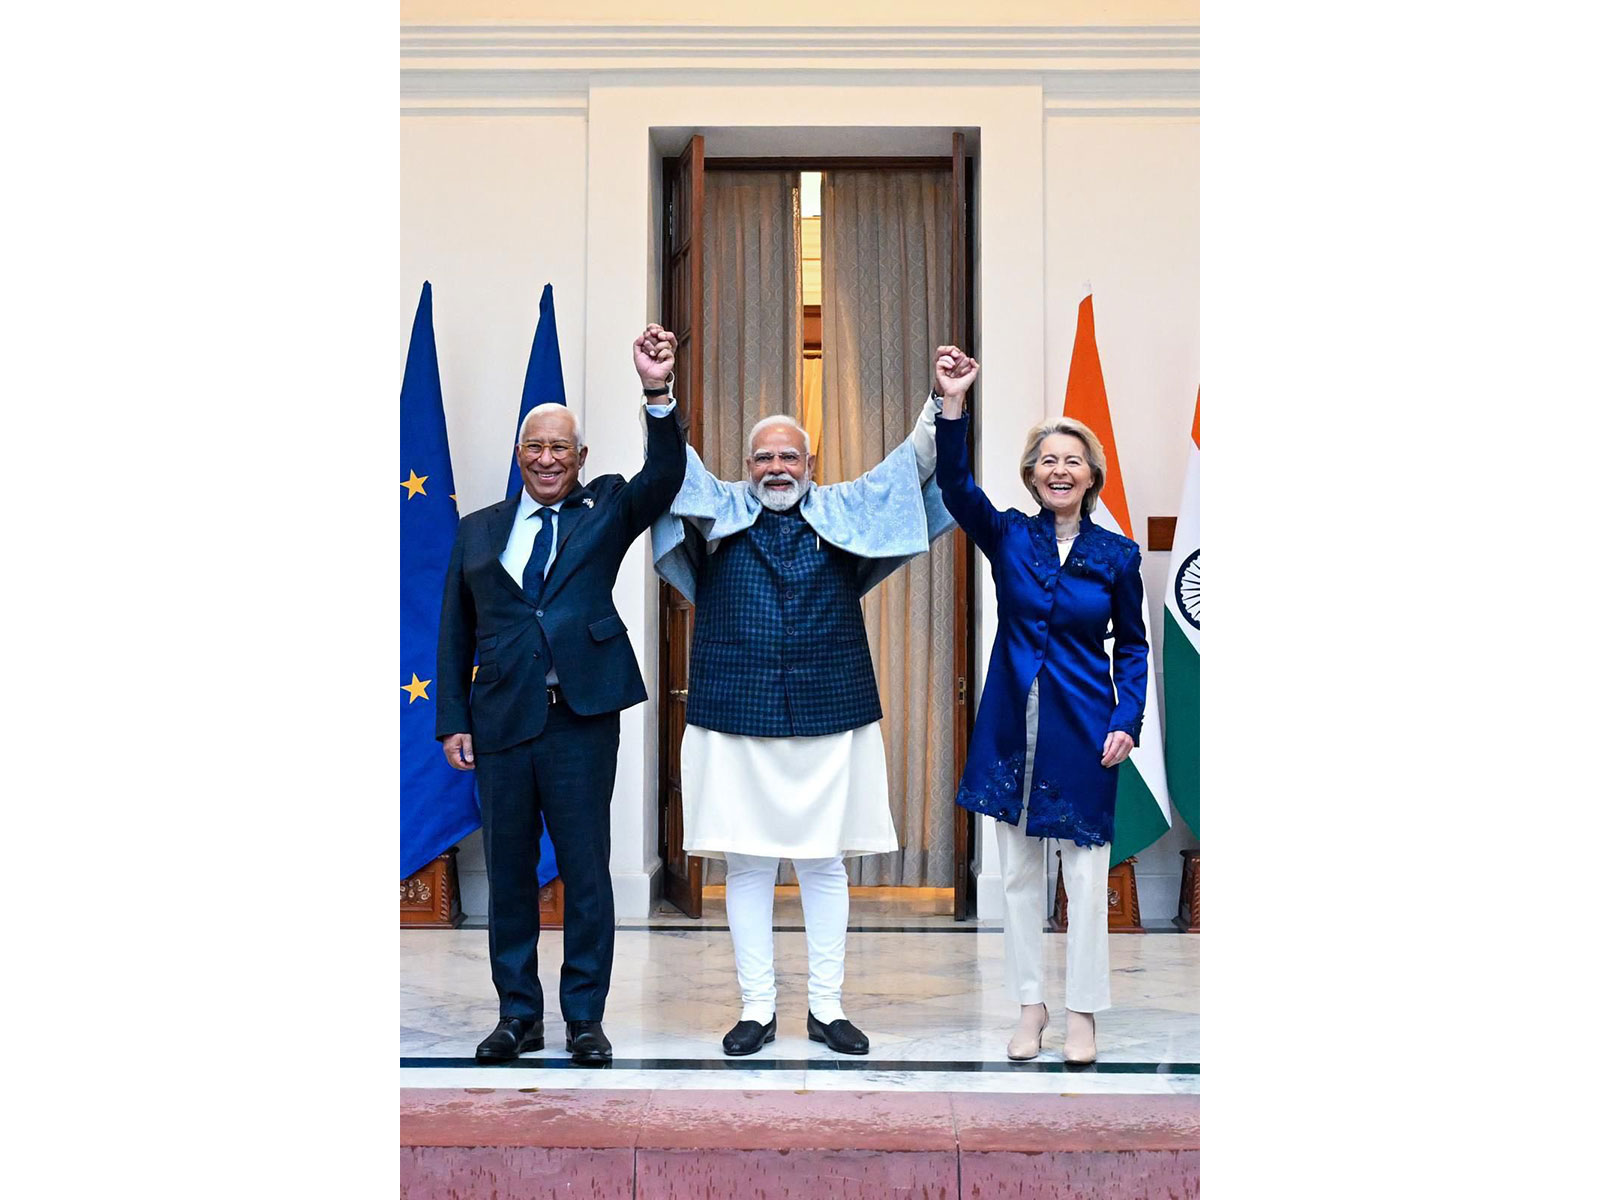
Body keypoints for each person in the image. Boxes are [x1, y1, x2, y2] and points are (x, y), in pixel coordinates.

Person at [651, 376, 954, 1057]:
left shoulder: (846, 511)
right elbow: (674, 465)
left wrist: (939, 402)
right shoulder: (717, 509)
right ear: (747, 467)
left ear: (811, 467)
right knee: (748, 866)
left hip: (832, 711)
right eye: (764, 458)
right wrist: (660, 393)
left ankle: (827, 1008)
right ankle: (756, 1010)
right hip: (734, 711)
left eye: (790, 457)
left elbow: (910, 465)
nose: (777, 468)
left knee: (824, 866)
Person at [436, 325, 687, 1065]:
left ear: (580, 460)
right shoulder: (478, 530)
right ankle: (519, 1016)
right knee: (510, 877)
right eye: (535, 448)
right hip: (503, 722)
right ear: (520, 458)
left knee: (585, 873)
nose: (547, 459)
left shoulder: (605, 507)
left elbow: (665, 474)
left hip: (580, 721)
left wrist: (657, 390)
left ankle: (583, 1018)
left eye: (561, 449)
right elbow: (454, 628)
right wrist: (451, 716)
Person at [930, 345, 1148, 1065]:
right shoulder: (1010, 537)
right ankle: (1031, 1007)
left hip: (1087, 731)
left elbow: (1136, 648)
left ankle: (1084, 1012)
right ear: (1031, 475)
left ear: (1092, 476)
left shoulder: (1117, 557)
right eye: (1046, 460)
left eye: (1073, 460)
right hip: (1008, 731)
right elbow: (956, 486)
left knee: (1085, 882)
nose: (1059, 470)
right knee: (1019, 878)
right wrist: (952, 404)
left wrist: (1126, 720)